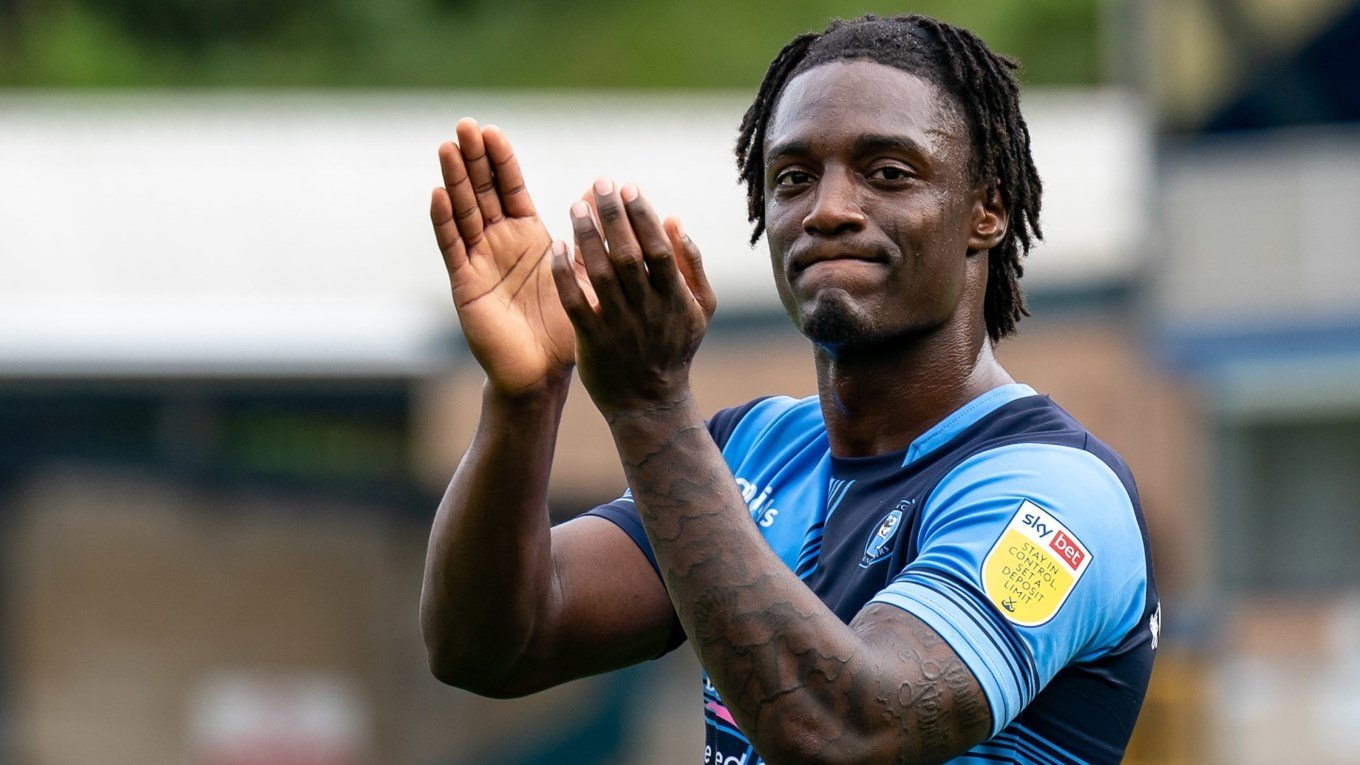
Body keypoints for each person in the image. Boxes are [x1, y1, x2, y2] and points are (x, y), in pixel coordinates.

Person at [421, 13, 1159, 765]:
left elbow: (843, 734)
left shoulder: (1057, 495)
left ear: (986, 211)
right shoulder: (753, 451)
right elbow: (490, 645)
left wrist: (651, 407)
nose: (827, 209)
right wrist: (525, 396)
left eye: (888, 173)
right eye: (793, 178)